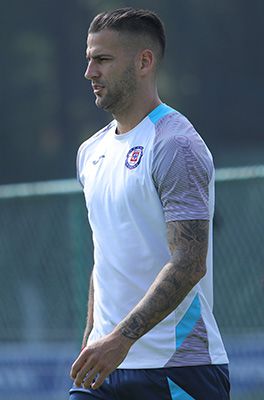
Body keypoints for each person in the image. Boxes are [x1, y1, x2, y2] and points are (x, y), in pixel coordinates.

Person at [70, 7, 230, 399]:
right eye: (89, 59)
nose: (90, 72)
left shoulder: (175, 145)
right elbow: (103, 257)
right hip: (106, 368)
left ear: (144, 62)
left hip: (178, 370)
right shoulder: (90, 152)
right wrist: (93, 337)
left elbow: (189, 262)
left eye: (103, 60)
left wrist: (120, 339)